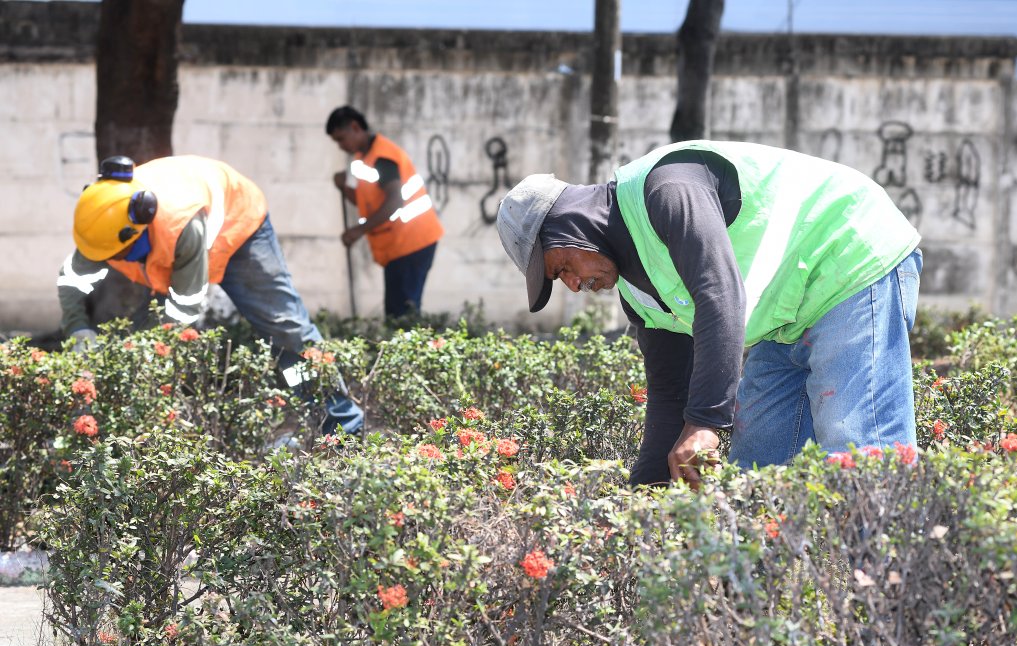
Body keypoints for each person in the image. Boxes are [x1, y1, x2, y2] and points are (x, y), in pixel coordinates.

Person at [495, 140, 922, 488]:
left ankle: (897, 592)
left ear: (568, 225)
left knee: (861, 453)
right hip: (788, 318)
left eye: (561, 267)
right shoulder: (639, 295)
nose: (572, 284)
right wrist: (645, 500)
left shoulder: (667, 188)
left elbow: (720, 294)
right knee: (757, 471)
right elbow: (670, 397)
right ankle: (758, 596)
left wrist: (705, 424)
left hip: (849, 257)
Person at [59, 154, 364, 435]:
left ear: (137, 228)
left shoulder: (180, 224)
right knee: (143, 342)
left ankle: (341, 426)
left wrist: (148, 358)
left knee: (287, 330)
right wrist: (78, 329)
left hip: (239, 229)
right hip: (176, 250)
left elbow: (183, 310)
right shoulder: (104, 223)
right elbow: (73, 280)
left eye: (119, 253)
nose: (110, 259)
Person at [326, 106, 444, 318]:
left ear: (355, 127)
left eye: (341, 139)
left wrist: (358, 230)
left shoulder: (383, 156)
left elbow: (394, 201)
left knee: (403, 313)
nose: (341, 146)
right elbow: (368, 202)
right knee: (397, 311)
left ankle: (414, 349)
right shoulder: (364, 158)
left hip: (412, 242)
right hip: (400, 244)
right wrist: (344, 188)